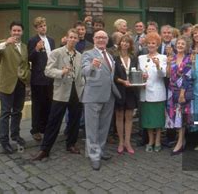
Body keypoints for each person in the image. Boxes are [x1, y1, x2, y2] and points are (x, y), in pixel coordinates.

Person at [32, 29, 84, 161]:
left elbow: (81, 74)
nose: (72, 39)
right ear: (66, 38)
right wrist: (61, 72)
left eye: (75, 38)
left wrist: (83, 84)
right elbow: (48, 71)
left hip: (76, 91)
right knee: (54, 121)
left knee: (74, 120)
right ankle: (45, 149)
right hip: (61, 91)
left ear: (78, 40)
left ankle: (71, 144)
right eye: (70, 37)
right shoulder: (57, 53)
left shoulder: (79, 55)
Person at [81, 30, 121, 170]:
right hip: (93, 96)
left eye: (104, 37)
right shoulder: (88, 54)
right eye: (98, 37)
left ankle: (101, 150)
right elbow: (84, 70)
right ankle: (94, 156)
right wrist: (92, 66)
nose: (101, 40)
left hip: (109, 96)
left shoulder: (110, 55)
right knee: (92, 128)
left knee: (104, 126)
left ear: (107, 40)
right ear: (93, 39)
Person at [0, 21, 31, 154]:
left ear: (22, 32)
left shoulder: (24, 47)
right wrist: (6, 43)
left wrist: (26, 75)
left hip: (20, 83)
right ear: (10, 31)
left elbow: (25, 64)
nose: (16, 33)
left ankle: (15, 135)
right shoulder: (3, 43)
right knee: (5, 113)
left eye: (19, 30)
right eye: (14, 30)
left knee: (17, 111)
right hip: (7, 84)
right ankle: (4, 140)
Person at [138, 32, 167, 152]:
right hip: (145, 92)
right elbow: (137, 74)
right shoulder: (141, 58)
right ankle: (150, 140)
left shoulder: (162, 57)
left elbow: (163, 74)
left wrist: (158, 65)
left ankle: (158, 140)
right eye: (149, 43)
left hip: (157, 92)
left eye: (153, 43)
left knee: (158, 119)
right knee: (148, 119)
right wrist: (142, 76)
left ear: (158, 45)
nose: (151, 45)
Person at [28, 17, 55, 142]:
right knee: (37, 104)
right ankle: (35, 129)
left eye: (44, 25)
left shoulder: (51, 40)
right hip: (38, 78)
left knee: (48, 102)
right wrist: (36, 49)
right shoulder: (33, 40)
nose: (43, 28)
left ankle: (44, 127)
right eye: (40, 26)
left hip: (50, 76)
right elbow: (29, 58)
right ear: (36, 28)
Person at [165, 36, 194, 155]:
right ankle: (181, 140)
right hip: (172, 91)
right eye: (178, 44)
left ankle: (180, 142)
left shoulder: (188, 60)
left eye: (183, 44)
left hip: (183, 91)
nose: (180, 45)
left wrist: (182, 93)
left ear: (186, 46)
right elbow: (167, 75)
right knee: (175, 117)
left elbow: (187, 78)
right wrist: (167, 63)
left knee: (181, 117)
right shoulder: (172, 58)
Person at [113, 34, 139, 155]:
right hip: (119, 90)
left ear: (130, 45)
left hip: (131, 91)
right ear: (120, 44)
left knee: (129, 117)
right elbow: (112, 76)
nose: (125, 44)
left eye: (127, 42)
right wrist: (123, 81)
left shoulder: (134, 58)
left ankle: (128, 142)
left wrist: (141, 77)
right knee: (119, 116)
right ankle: (121, 142)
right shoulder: (114, 58)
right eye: (123, 41)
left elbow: (137, 73)